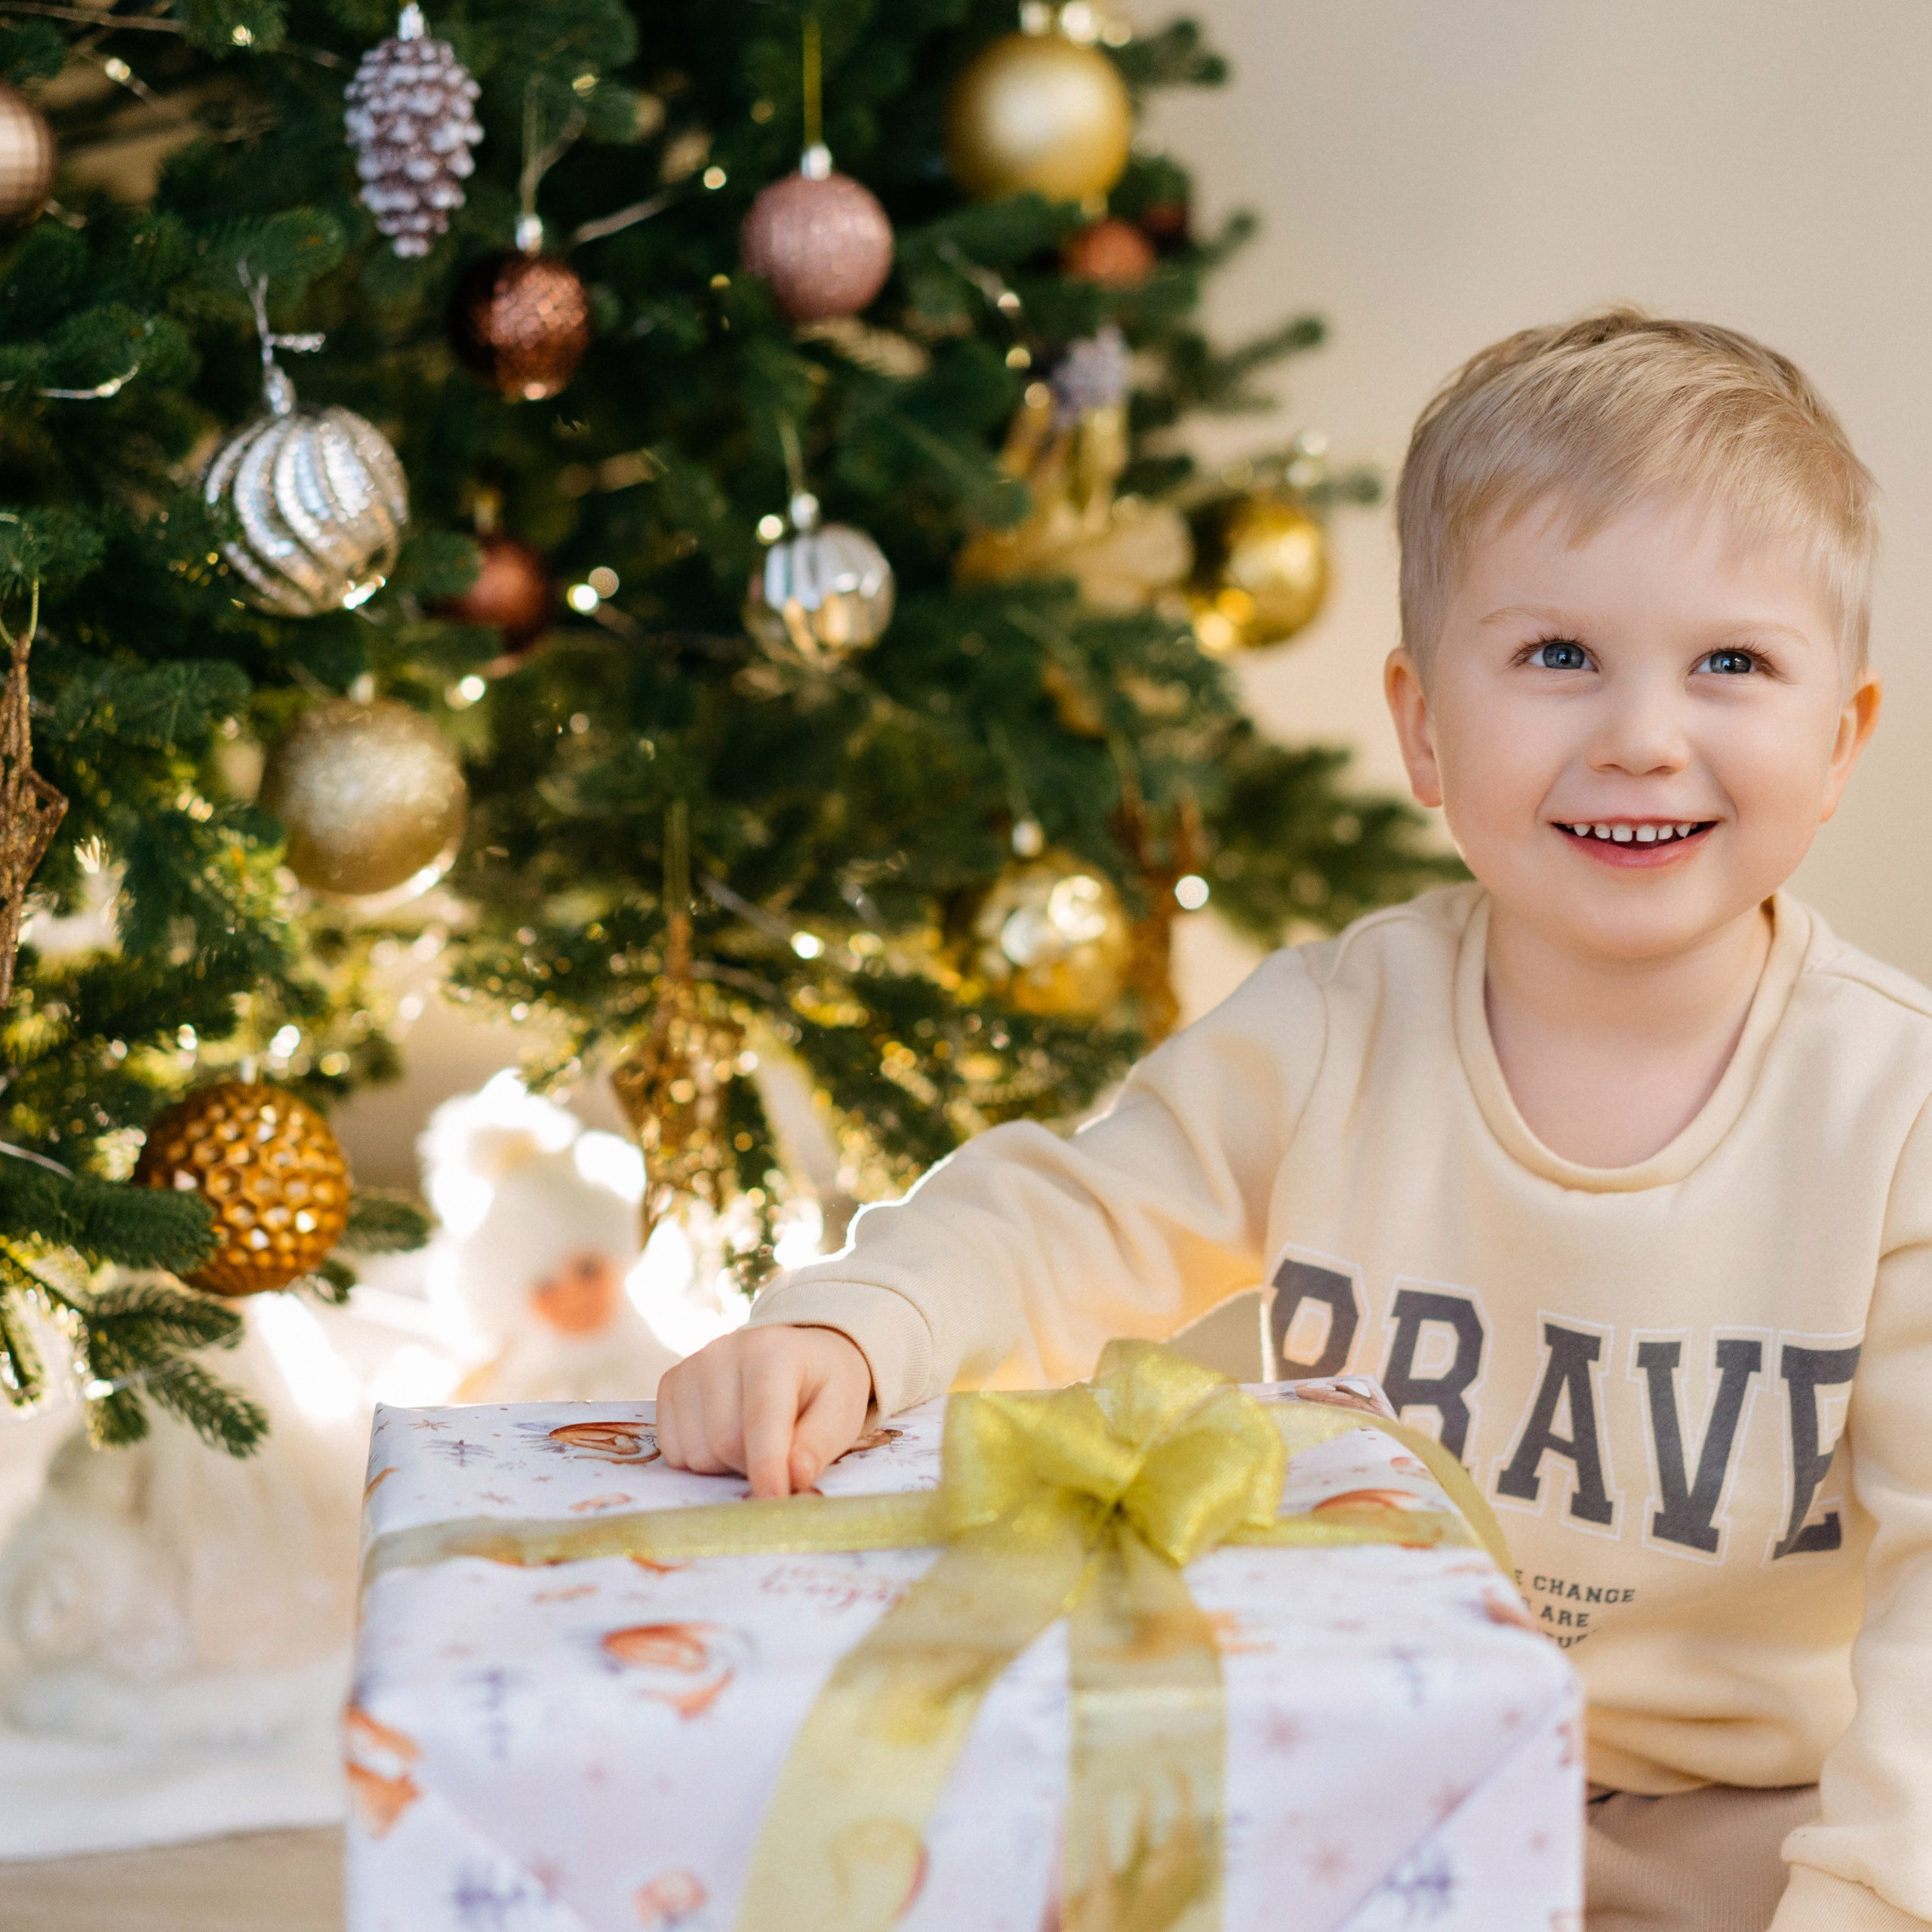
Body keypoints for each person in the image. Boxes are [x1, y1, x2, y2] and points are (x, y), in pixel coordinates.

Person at [655, 310, 1931, 1932]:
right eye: (1554, 654)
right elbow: (1074, 1212)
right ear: (1416, 724)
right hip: (1357, 1744)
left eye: (1729, 663)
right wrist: (861, 1321)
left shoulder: (1890, 1107)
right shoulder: (1336, 1026)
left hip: (1743, 1815)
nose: (1638, 732)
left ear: (1837, 743)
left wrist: (1865, 1896)